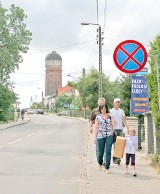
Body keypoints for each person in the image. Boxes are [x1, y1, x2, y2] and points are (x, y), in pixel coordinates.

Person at [94, 104, 116, 174]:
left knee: (108, 151)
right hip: (100, 135)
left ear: (106, 109)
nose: (103, 110)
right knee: (100, 152)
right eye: (102, 109)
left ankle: (107, 167)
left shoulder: (110, 116)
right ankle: (100, 163)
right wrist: (95, 137)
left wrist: (112, 116)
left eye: (105, 109)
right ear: (100, 109)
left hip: (109, 135)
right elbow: (96, 128)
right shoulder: (98, 117)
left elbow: (114, 124)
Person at [110, 98, 129, 165]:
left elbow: (124, 120)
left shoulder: (121, 111)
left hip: (120, 129)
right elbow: (109, 122)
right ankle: (115, 158)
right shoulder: (111, 111)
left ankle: (118, 159)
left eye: (118, 102)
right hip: (114, 130)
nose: (117, 103)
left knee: (120, 144)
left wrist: (127, 127)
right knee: (115, 144)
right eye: (116, 102)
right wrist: (111, 129)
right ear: (114, 103)